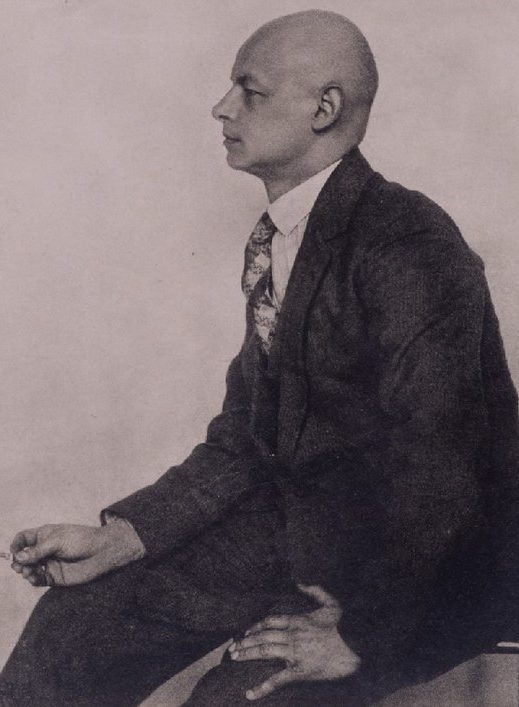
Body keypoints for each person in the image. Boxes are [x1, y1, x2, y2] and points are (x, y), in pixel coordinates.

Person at [1, 9, 518, 706]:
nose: (222, 107)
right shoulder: (288, 232)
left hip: (410, 576)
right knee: (72, 630)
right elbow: (246, 438)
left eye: (250, 91)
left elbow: (440, 474)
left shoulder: (408, 243)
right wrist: (124, 536)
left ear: (323, 109)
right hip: (299, 532)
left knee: (237, 699)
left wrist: (361, 635)